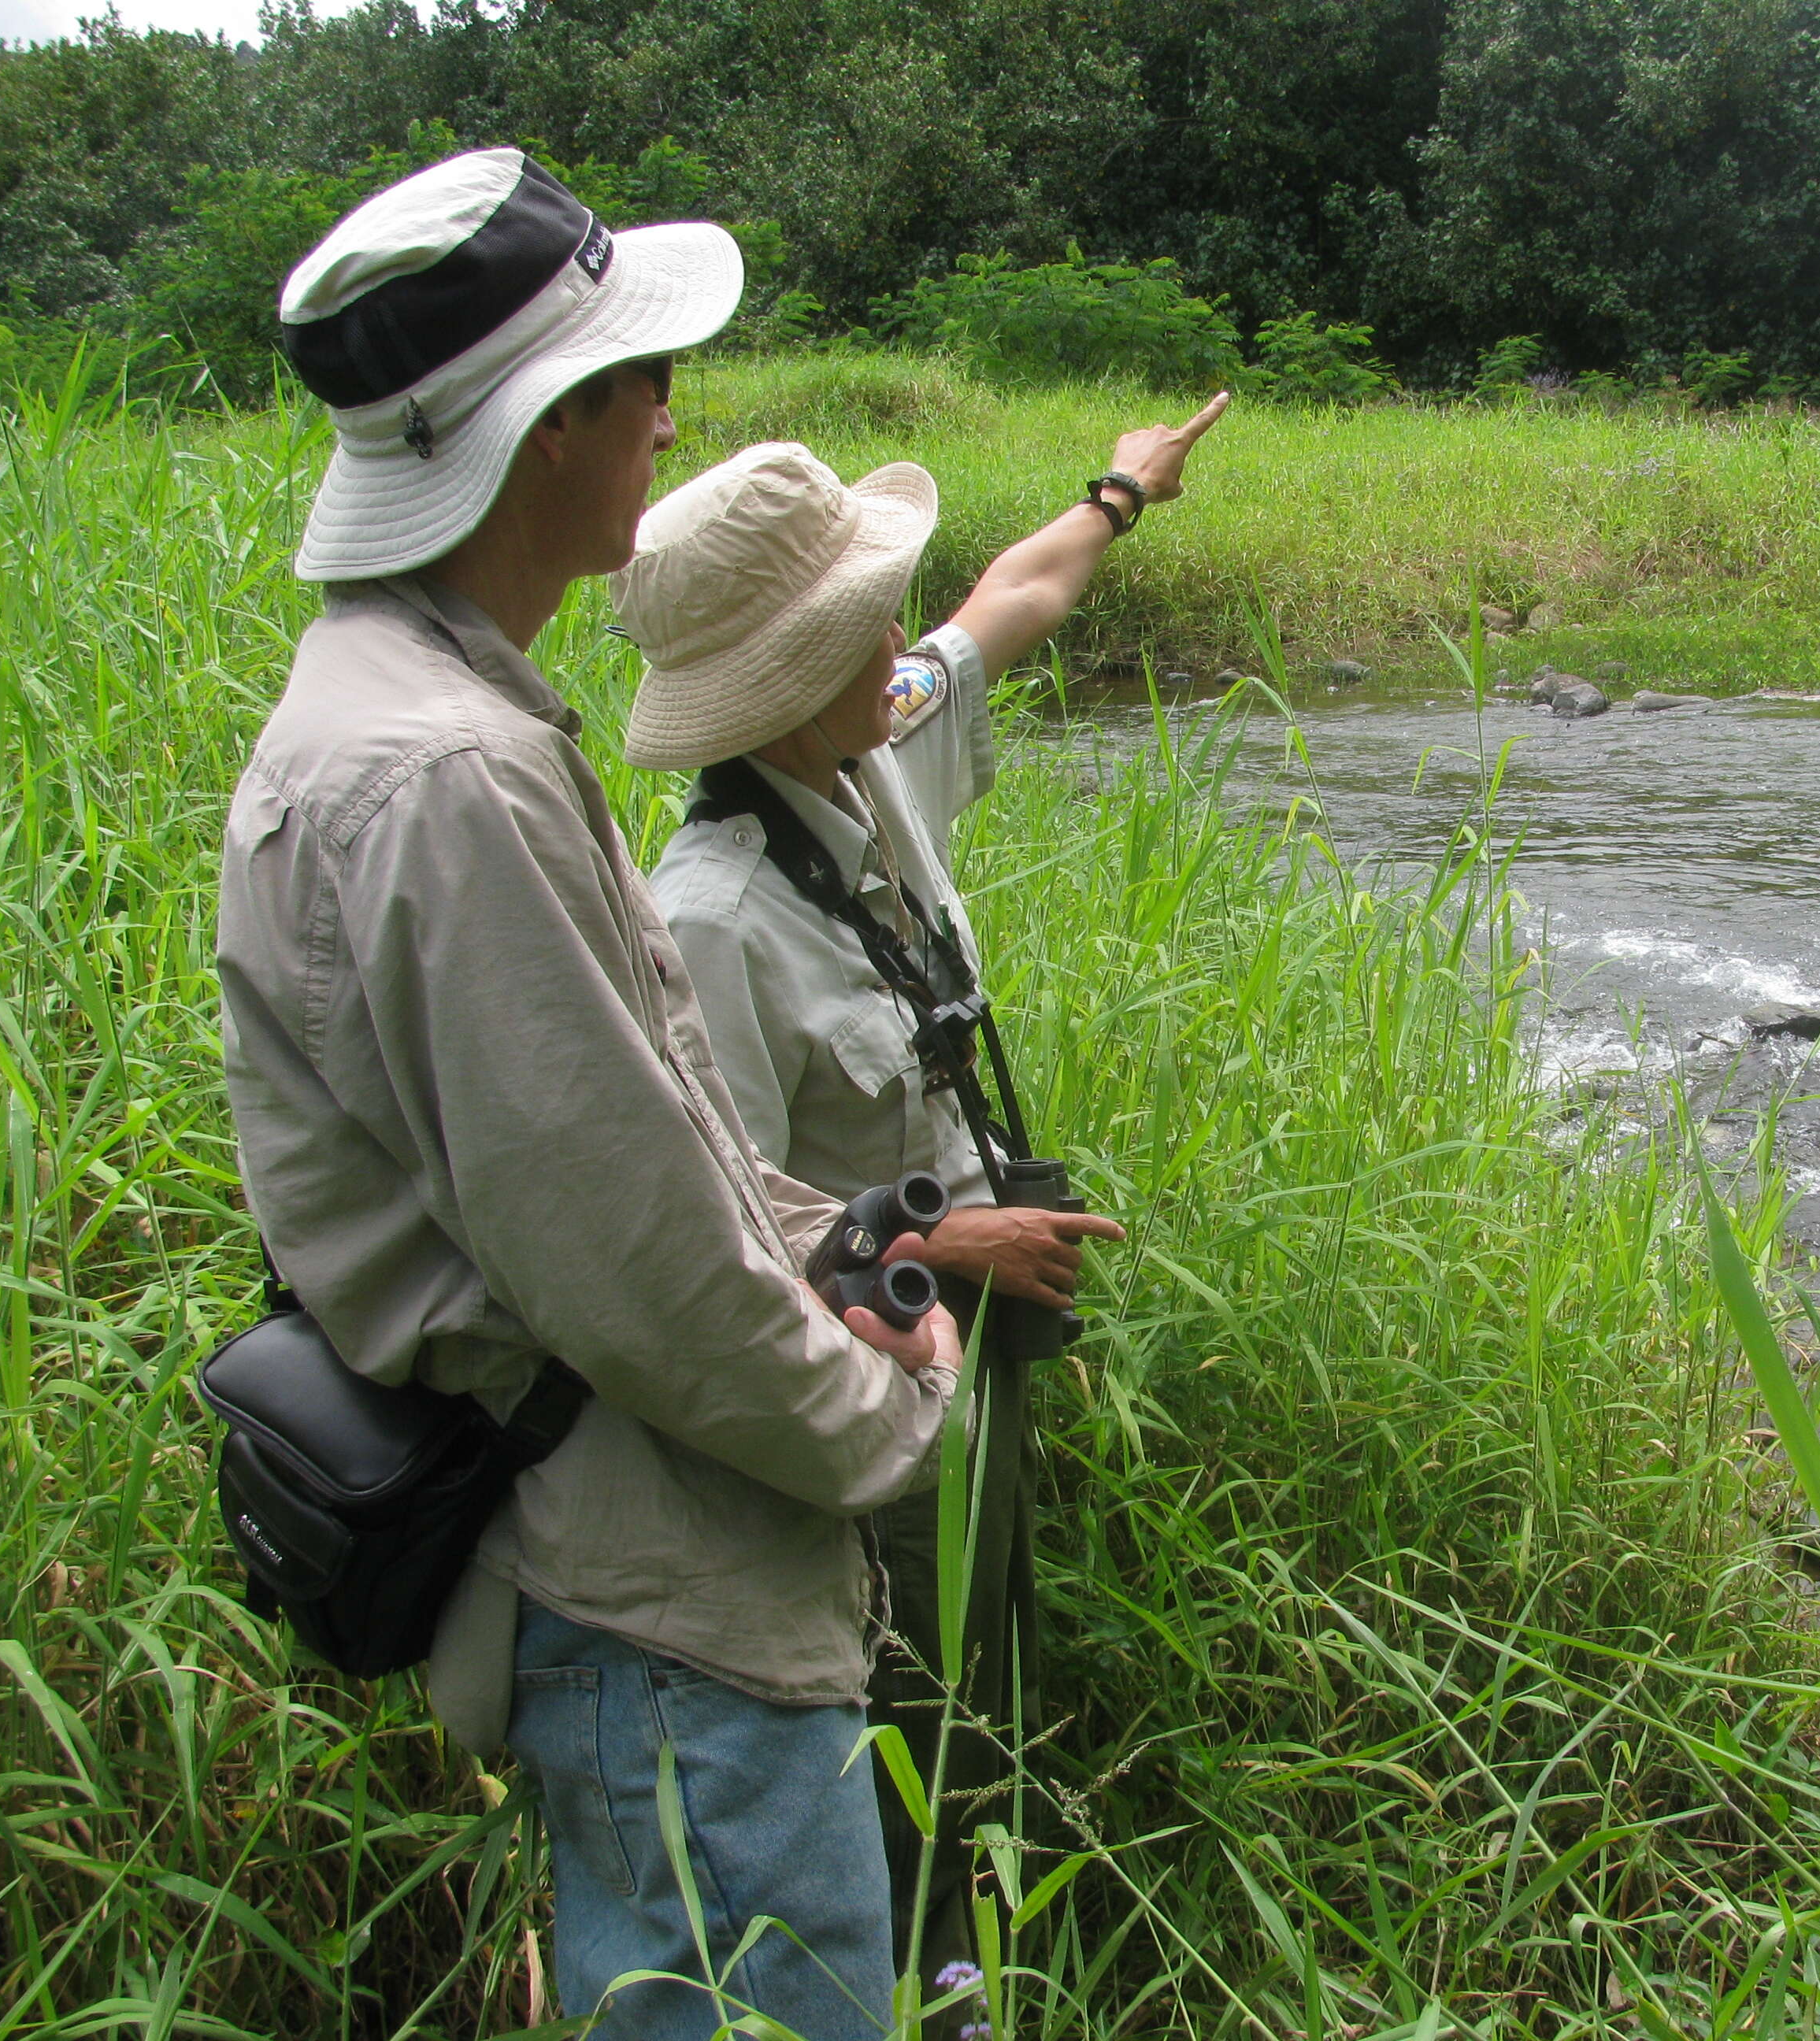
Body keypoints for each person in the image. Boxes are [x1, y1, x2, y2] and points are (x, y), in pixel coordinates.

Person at [216, 147, 963, 2040]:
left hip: (625, 1579)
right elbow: (627, 1257)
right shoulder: (447, 779)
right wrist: (886, 1409)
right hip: (666, 1608)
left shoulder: (411, 713)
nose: (664, 417)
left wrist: (829, 1238)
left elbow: (662, 1149)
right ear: (547, 428)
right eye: (640, 382)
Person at [612, 393, 1229, 1991]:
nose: (897, 630)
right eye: (857, 615)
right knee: (905, 1680)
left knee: (991, 1652)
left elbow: (1005, 605)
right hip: (867, 1369)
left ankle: (986, 1932)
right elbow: (720, 1232)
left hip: (976, 1314)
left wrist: (1123, 487)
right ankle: (930, 1974)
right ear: (785, 676)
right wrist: (954, 1237)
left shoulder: (864, 751)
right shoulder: (715, 921)